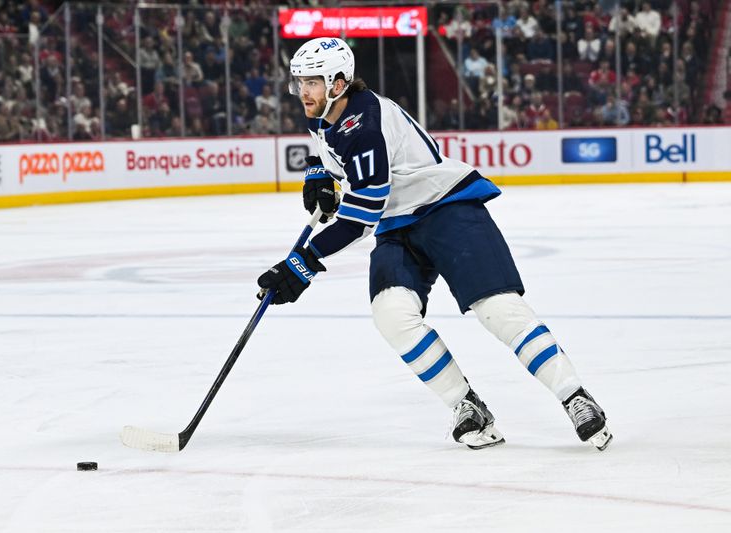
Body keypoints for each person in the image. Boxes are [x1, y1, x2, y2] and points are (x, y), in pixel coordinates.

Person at [256, 38, 612, 451]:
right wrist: (318, 171)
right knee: (391, 315)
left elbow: (362, 214)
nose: (303, 92)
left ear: (338, 83)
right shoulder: (329, 110)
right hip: (398, 222)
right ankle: (467, 405)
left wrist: (302, 263)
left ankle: (575, 397)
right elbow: (328, 142)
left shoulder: (364, 122)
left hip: (446, 208)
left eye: (312, 82)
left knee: (497, 308)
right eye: (299, 82)